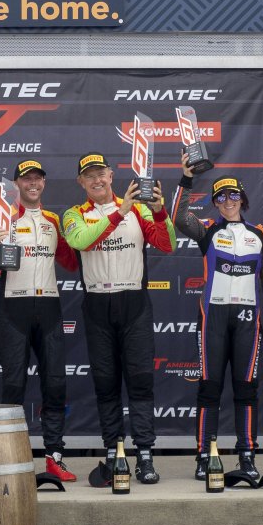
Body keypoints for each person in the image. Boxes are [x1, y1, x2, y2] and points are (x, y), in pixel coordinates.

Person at [62, 153, 176, 486]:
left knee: (140, 382)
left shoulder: (139, 208)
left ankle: (145, 454)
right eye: (89, 176)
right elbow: (81, 241)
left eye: (101, 174)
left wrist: (160, 212)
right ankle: (114, 451)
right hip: (97, 304)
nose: (97, 180)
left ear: (112, 175)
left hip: (133, 302)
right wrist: (119, 211)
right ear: (81, 182)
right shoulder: (74, 214)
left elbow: (167, 244)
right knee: (106, 383)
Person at [170, 162, 263, 481]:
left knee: (246, 389)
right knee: (209, 388)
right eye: (221, 197)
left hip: (248, 319)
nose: (228, 201)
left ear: (242, 199)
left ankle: (247, 456)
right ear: (215, 203)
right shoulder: (207, 230)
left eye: (233, 195)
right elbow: (178, 217)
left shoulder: (258, 233)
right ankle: (205, 455)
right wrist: (187, 178)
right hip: (213, 319)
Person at [0, 159, 79, 482]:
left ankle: (54, 457)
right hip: (14, 307)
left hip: (49, 306)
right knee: (13, 384)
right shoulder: (1, 218)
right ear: (17, 185)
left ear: (44, 183)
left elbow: (70, 263)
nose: (33, 184)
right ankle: (10, 458)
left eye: (38, 178)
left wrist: (72, 239)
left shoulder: (53, 220)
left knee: (56, 383)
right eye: (27, 179)